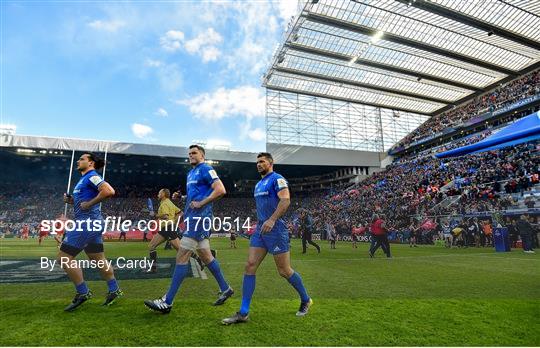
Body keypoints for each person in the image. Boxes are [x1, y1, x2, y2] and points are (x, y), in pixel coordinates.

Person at [222, 152, 312, 325]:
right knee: (250, 266)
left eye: (262, 161)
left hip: (276, 229)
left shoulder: (277, 179)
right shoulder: (258, 184)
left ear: (270, 163)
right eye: (257, 162)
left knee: (284, 271)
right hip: (261, 229)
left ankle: (305, 299)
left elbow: (285, 200)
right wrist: (263, 221)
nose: (259, 164)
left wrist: (272, 219)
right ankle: (243, 312)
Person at [144, 145, 233, 313]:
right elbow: (196, 196)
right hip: (193, 218)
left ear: (203, 155)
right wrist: (186, 204)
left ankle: (167, 301)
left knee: (182, 255)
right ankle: (226, 288)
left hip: (200, 219)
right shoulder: (190, 173)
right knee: (206, 256)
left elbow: (220, 190)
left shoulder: (206, 168)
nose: (191, 155)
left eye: (194, 153)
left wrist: (201, 203)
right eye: (189, 153)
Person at [59, 153, 122, 311]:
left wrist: (90, 203)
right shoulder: (83, 179)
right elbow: (84, 202)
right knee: (98, 259)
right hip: (92, 223)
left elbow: (108, 191)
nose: (78, 161)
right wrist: (72, 201)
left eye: (82, 159)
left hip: (86, 223)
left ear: (91, 163)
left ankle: (83, 293)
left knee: (64, 258)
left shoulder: (91, 176)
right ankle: (114, 290)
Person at [147, 189, 182, 273]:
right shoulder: (169, 202)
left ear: (163, 194)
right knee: (151, 246)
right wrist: (175, 222)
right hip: (166, 228)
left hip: (167, 228)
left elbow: (165, 217)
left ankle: (200, 258)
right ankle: (153, 268)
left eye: (159, 193)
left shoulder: (164, 204)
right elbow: (181, 213)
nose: (158, 194)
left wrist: (155, 215)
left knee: (180, 250)